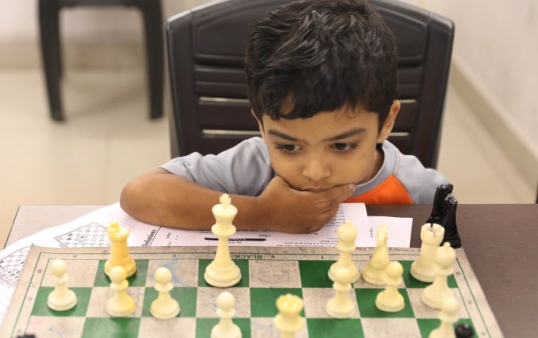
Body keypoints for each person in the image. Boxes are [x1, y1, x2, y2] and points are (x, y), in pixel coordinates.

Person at [120, 0, 448, 234]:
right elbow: (139, 193)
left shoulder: (414, 186)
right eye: (289, 147)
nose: (315, 171)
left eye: (343, 146)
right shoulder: (254, 164)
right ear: (261, 125)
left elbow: (461, 234)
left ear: (386, 122)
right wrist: (262, 213)